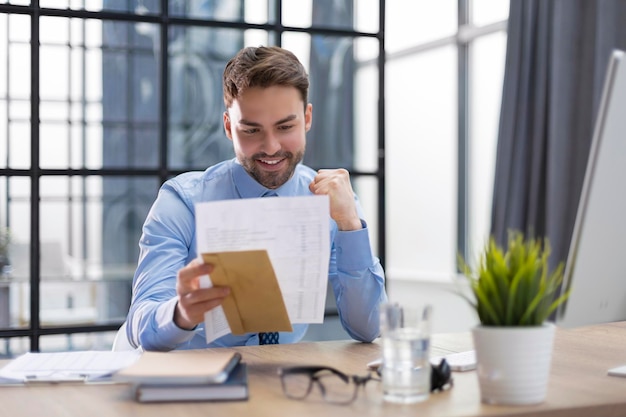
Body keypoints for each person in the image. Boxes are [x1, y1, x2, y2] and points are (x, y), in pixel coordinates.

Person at [126, 45, 387, 351]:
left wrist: (350, 225)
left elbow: (368, 328)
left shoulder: (332, 200)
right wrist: (181, 313)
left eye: (285, 126)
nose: (272, 146)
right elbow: (139, 325)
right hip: (198, 382)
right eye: (251, 130)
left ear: (307, 118)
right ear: (228, 127)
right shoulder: (182, 202)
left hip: (284, 381)